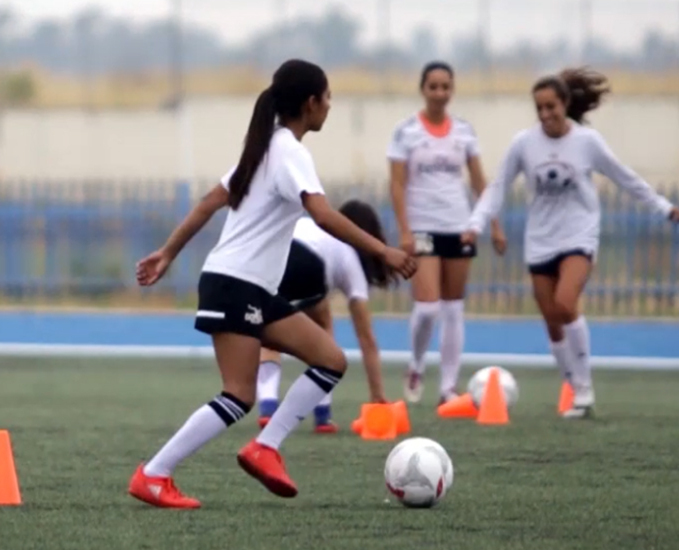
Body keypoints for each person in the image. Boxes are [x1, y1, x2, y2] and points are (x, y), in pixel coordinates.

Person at [128, 59, 417, 509]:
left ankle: (266, 447)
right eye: (328, 99)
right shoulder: (289, 152)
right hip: (236, 284)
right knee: (239, 394)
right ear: (310, 102)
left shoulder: (262, 148)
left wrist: (169, 253)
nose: (329, 107)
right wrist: (383, 251)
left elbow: (209, 202)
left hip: (251, 288)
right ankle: (154, 474)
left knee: (330, 360)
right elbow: (321, 214)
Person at [463, 67, 679, 419]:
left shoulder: (586, 142)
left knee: (565, 304)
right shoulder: (524, 143)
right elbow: (498, 186)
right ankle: (573, 382)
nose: (546, 114)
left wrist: (664, 207)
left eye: (552, 106)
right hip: (540, 240)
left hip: (579, 234)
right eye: (540, 109)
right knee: (551, 319)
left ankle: (584, 390)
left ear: (565, 104)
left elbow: (624, 177)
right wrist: (476, 224)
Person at [388, 61, 508, 407]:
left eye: (445, 87)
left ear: (452, 90)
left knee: (453, 308)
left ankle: (448, 388)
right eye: (433, 86)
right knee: (427, 308)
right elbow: (397, 184)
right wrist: (404, 230)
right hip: (422, 227)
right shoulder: (406, 131)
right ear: (423, 89)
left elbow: (479, 181)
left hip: (459, 226)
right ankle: (416, 364)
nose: (440, 93)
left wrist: (492, 224)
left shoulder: (465, 132)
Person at [256, 202, 397, 434]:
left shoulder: (308, 224)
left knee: (270, 329)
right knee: (323, 325)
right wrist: (377, 395)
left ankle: (268, 407)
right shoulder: (350, 256)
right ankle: (322, 414)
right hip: (310, 265)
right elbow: (366, 339)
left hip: (273, 254)